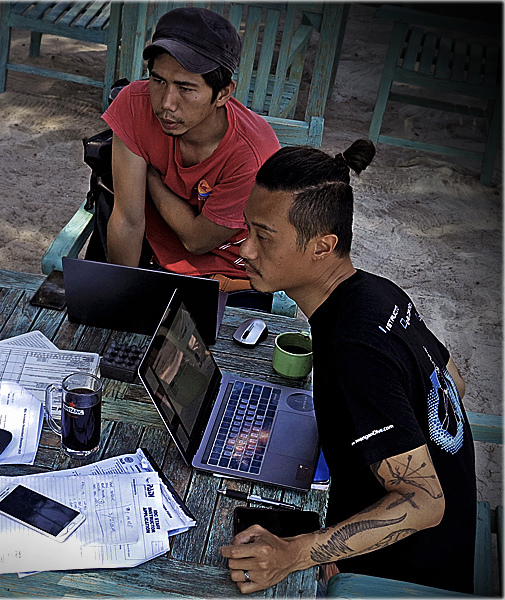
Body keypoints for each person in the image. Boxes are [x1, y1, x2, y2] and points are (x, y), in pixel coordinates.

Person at [220, 140, 477, 594]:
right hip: (449, 538)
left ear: (323, 246)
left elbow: (424, 502)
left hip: (409, 577)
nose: (246, 249)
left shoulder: (351, 348)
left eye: (264, 235)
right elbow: (449, 378)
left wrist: (297, 552)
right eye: (247, 230)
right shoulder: (379, 292)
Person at [102, 6, 280, 292]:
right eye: (158, 80)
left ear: (223, 93)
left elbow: (197, 241)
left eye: (185, 88)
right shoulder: (133, 103)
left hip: (227, 274)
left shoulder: (253, 155)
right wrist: (120, 296)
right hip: (152, 259)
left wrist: (149, 178)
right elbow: (128, 219)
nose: (166, 104)